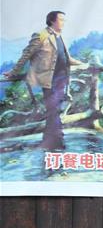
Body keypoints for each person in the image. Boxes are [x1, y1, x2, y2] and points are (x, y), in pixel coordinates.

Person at [3, 11, 84, 150]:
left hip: (61, 78)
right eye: (61, 19)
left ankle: (49, 140)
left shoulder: (60, 36)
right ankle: (57, 140)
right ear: (52, 21)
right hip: (48, 80)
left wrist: (84, 64)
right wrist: (13, 72)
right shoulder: (41, 35)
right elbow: (26, 54)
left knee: (54, 110)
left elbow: (66, 58)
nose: (64, 22)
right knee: (53, 110)